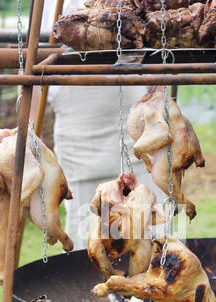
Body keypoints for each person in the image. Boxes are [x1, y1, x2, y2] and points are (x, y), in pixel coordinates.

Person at [31, 0, 164, 251]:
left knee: (148, 239)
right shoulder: (52, 4)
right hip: (80, 140)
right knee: (89, 242)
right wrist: (28, 140)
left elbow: (161, 51)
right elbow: (33, 65)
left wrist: (160, 102)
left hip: (138, 138)